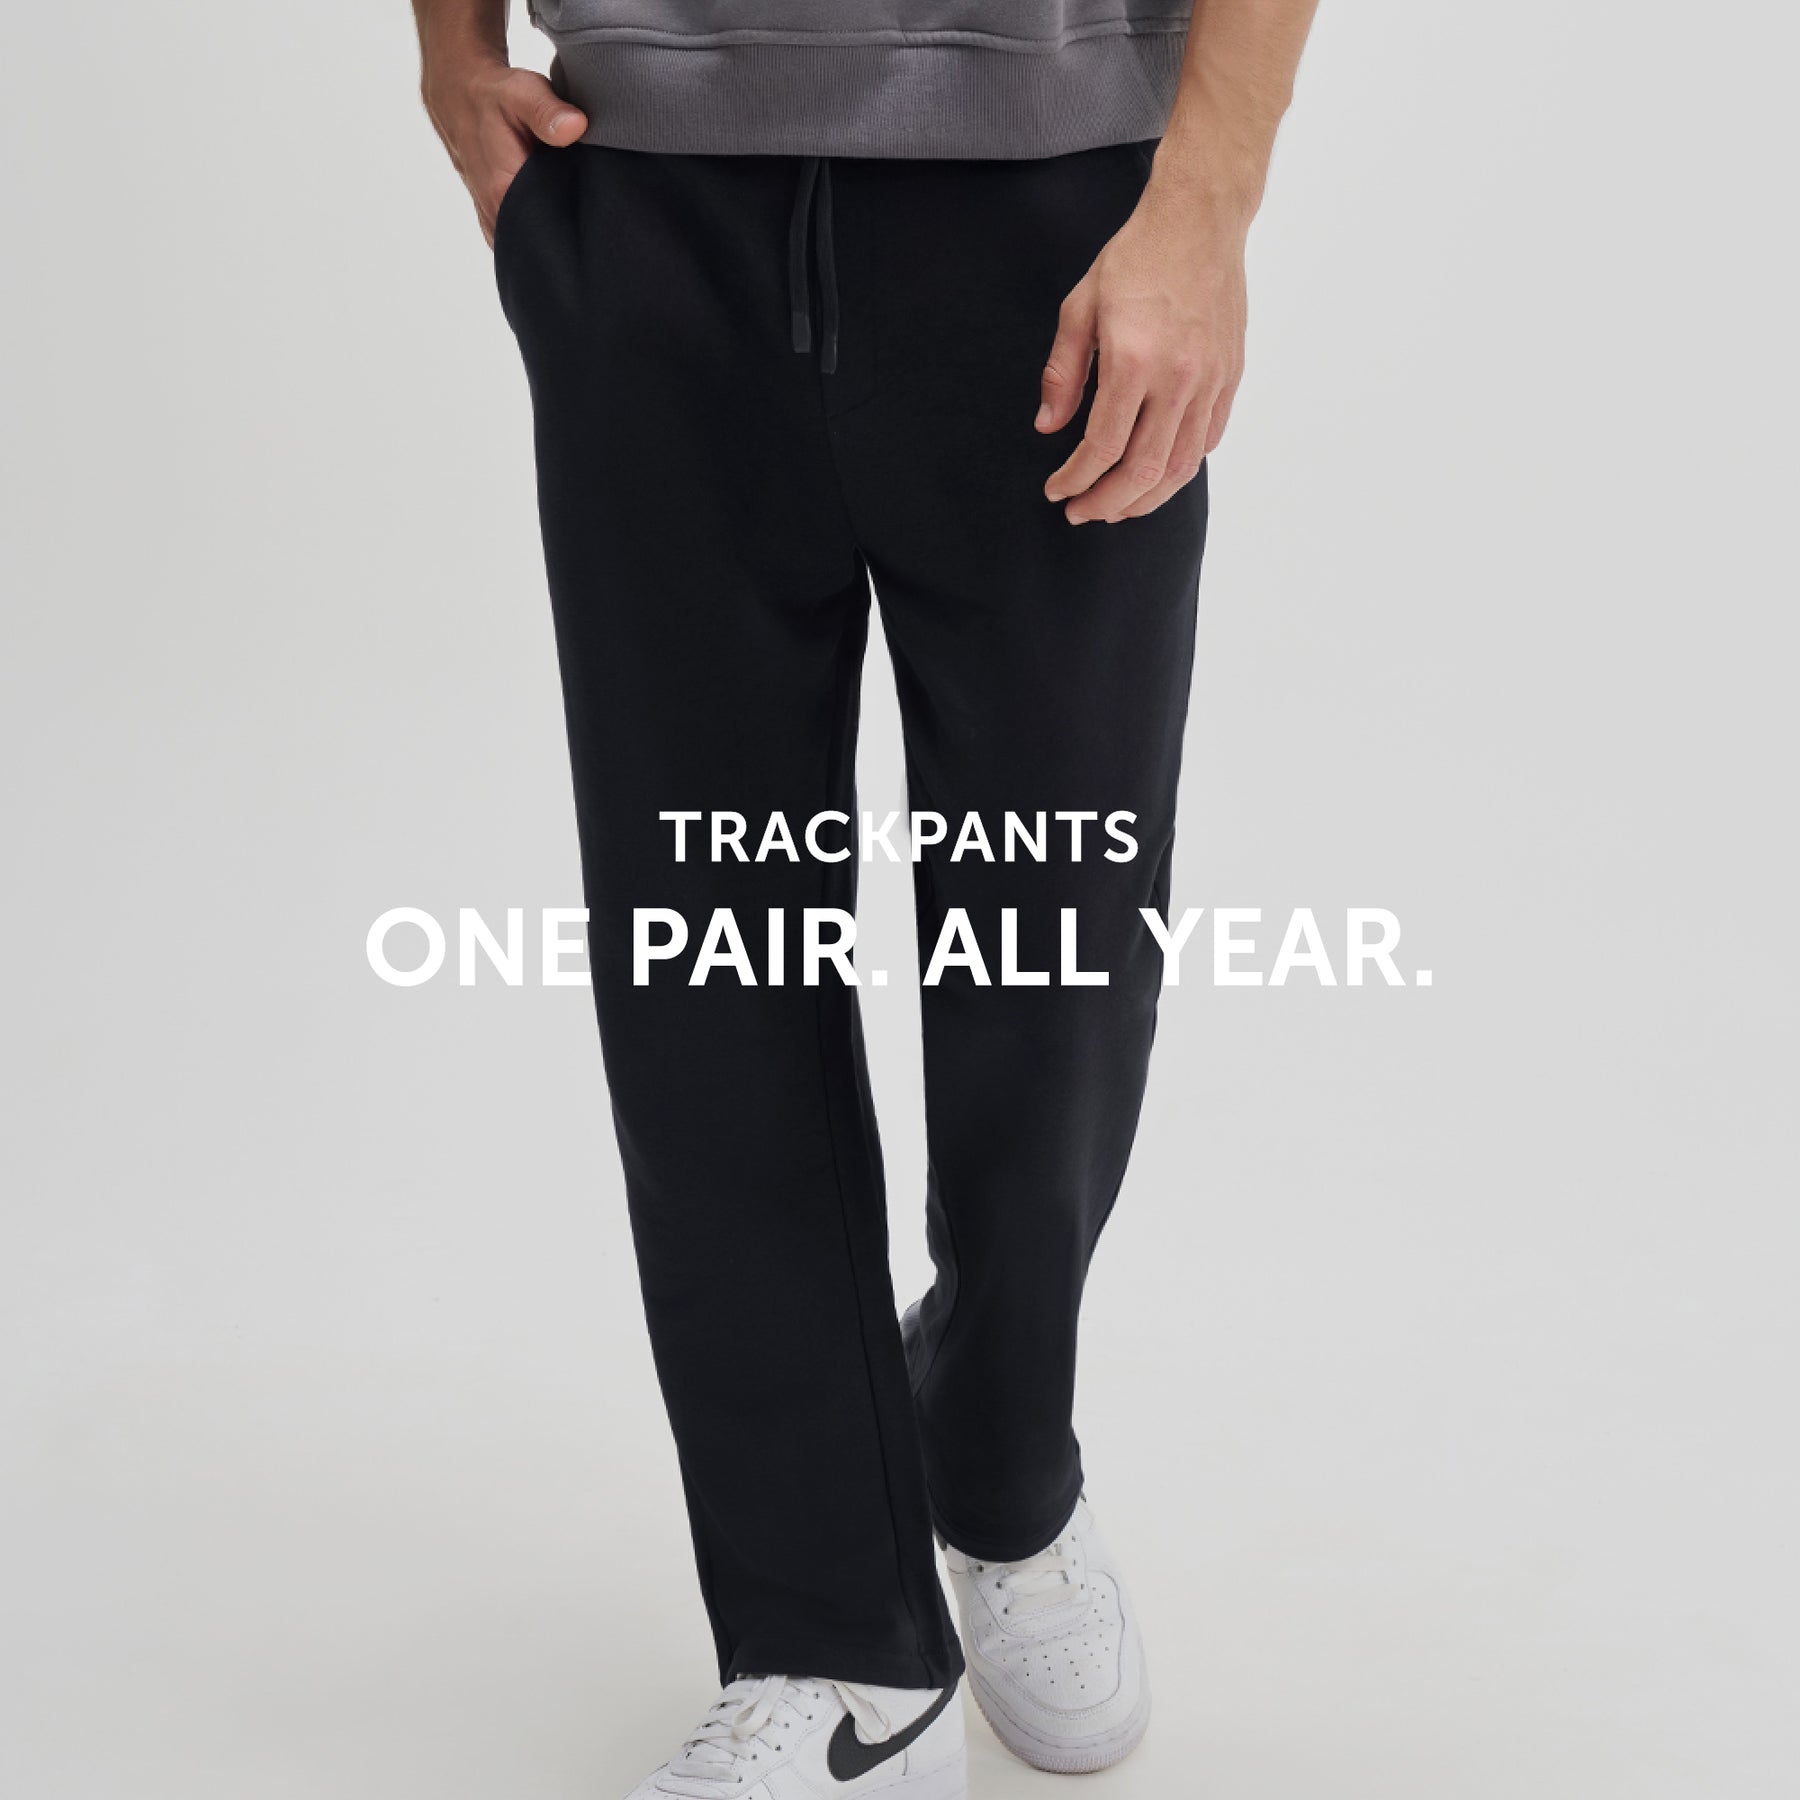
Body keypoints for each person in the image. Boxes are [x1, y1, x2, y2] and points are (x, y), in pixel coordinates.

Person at [413, 0, 1316, 1791]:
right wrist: (448, 49)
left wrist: (1205, 202)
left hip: (1060, 208)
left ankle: (997, 1457)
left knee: (1057, 937)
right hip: (643, 190)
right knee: (702, 948)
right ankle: (830, 1633)